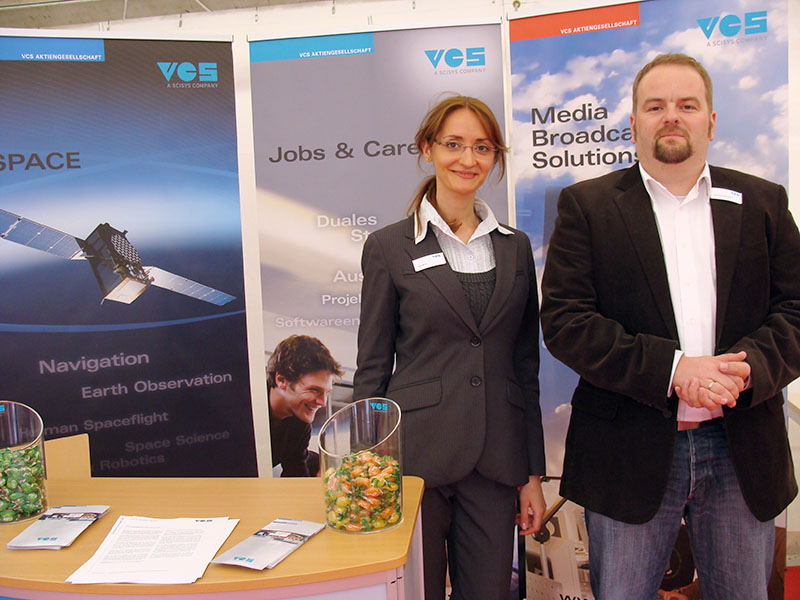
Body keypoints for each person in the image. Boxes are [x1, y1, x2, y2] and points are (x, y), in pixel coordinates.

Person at [540, 53, 800, 600]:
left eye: (688, 105)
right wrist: (675, 370)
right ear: (634, 123)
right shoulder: (587, 206)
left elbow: (797, 310)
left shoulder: (764, 202)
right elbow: (566, 320)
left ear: (712, 121)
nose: (672, 116)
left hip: (742, 448)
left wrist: (744, 370)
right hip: (627, 449)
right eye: (656, 106)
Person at [353, 95, 545, 600]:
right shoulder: (389, 247)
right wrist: (366, 470)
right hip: (415, 461)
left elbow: (525, 367)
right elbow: (372, 367)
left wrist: (531, 474)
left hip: (496, 461)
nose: (468, 159)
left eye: (482, 147)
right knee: (415, 592)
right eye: (454, 144)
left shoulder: (515, 247)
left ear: (495, 156)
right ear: (428, 148)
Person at [267, 334, 343, 477]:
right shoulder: (243, 408)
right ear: (281, 380)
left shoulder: (300, 425)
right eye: (314, 390)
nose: (322, 402)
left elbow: (296, 475)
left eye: (326, 392)